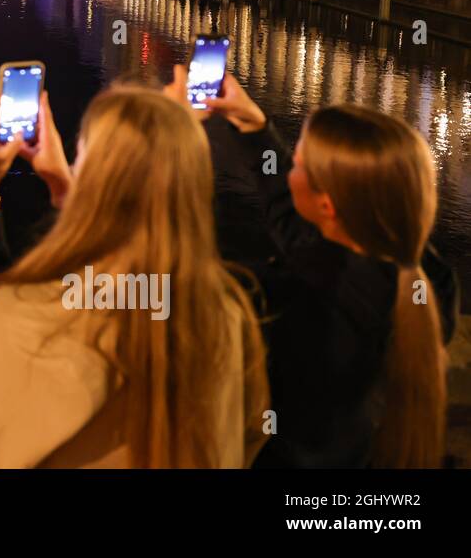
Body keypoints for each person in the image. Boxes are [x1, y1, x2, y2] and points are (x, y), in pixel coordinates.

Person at [0, 84, 268, 468]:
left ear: (91, 180)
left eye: (81, 159)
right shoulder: (224, 313)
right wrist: (67, 190)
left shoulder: (24, 318)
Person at [195, 70, 457, 468]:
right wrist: (256, 130)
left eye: (297, 165)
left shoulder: (295, 295)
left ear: (328, 207)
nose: (290, 170)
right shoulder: (429, 282)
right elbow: (305, 223)